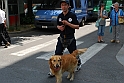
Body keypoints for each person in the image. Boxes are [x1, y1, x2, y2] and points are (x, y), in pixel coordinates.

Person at [48, 0, 81, 76]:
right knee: (57, 54)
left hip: (70, 38)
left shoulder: (72, 15)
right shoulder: (60, 16)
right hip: (62, 38)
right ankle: (54, 70)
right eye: (62, 5)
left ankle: (78, 63)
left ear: (68, 6)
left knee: (74, 54)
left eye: (65, 5)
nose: (64, 6)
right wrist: (59, 27)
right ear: (61, 6)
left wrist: (68, 24)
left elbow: (77, 26)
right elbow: (57, 25)